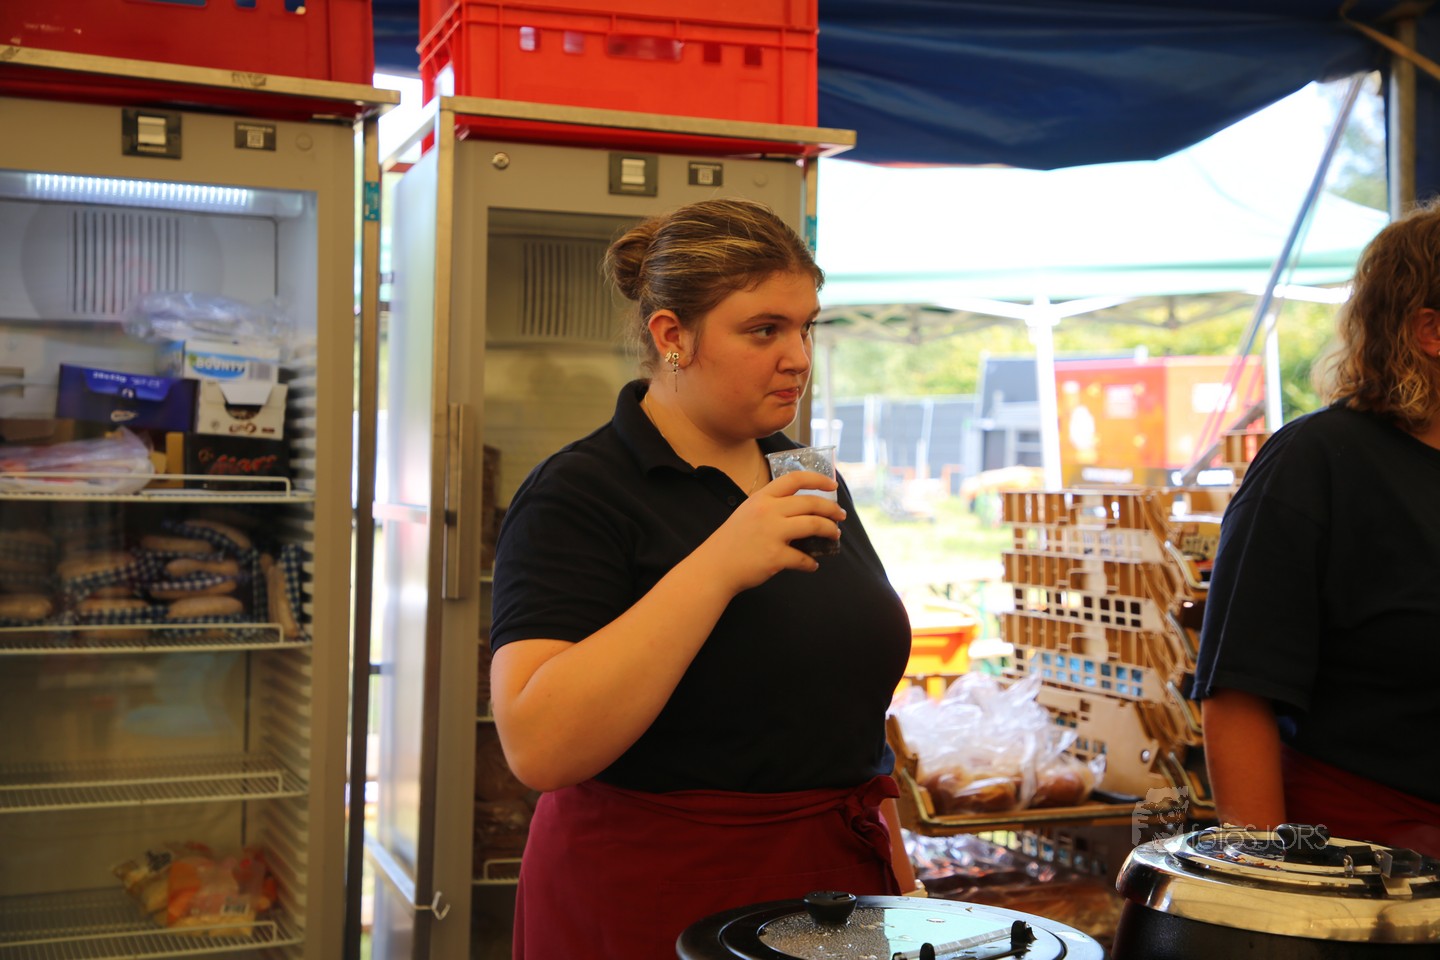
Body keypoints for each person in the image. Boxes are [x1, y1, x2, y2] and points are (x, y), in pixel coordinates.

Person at [487, 197, 918, 958]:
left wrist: (901, 878)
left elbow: (848, 720)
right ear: (672, 337)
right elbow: (538, 746)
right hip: (657, 893)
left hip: (834, 888)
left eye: (806, 327)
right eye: (764, 330)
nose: (799, 357)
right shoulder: (579, 492)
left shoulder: (803, 473)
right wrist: (718, 565)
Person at [1192, 200, 1440, 856]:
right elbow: (1238, 693)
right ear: (1431, 331)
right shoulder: (1317, 462)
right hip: (1369, 866)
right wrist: (1267, 883)